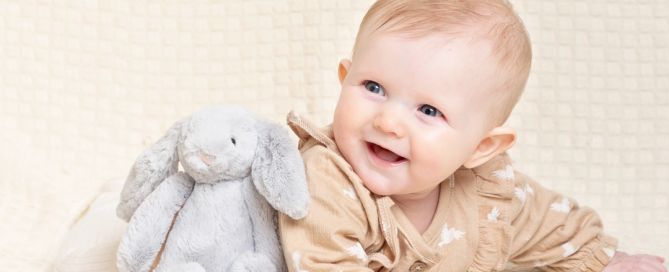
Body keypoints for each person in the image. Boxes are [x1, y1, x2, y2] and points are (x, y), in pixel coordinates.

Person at [278, 0, 667, 271]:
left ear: (481, 148)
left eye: (428, 111)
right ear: (345, 80)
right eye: (374, 87)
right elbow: (325, 263)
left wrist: (606, 260)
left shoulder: (486, 193)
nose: (387, 122)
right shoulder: (326, 179)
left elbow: (552, 224)